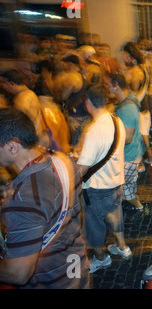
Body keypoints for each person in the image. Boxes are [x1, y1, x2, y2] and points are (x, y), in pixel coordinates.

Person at [0, 107, 89, 288]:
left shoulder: (23, 200)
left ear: (12, 146)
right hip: (76, 269)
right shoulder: (64, 161)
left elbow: (18, 274)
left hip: (50, 281)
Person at [76, 85, 131, 273]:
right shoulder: (116, 121)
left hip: (97, 189)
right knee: (116, 216)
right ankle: (122, 247)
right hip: (116, 182)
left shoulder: (94, 131)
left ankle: (101, 258)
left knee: (94, 225)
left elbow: (82, 169)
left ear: (88, 103)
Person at [108, 73, 149, 218]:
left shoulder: (126, 109)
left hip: (128, 157)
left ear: (115, 85)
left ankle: (139, 208)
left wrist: (107, 138)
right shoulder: (129, 98)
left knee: (124, 191)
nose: (106, 86)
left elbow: (127, 138)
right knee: (128, 187)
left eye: (108, 84)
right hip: (133, 154)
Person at [0, 69, 50, 150]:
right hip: (39, 137)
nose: (2, 86)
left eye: (3, 83)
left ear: (12, 83)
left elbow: (17, 124)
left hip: (34, 141)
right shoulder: (29, 93)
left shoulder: (22, 99)